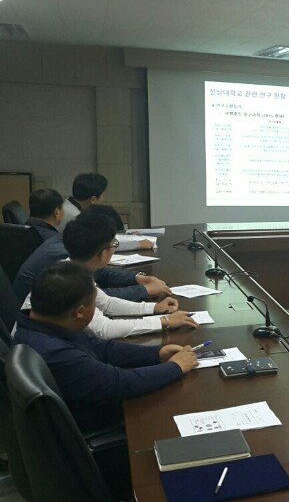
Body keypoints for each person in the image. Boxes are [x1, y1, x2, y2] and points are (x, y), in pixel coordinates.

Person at [13, 262, 198, 499]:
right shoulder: (56, 353)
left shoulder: (46, 324)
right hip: (100, 438)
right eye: (95, 305)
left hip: (89, 415)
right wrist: (175, 368)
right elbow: (119, 383)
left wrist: (156, 354)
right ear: (80, 312)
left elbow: (101, 348)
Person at [19, 210, 195, 338]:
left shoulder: (71, 268)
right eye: (114, 245)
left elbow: (107, 303)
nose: (114, 249)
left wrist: (154, 308)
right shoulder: (69, 280)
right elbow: (104, 330)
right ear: (103, 253)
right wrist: (164, 321)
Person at [13, 204, 170, 302]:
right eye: (113, 242)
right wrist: (144, 291)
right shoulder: (63, 254)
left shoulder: (73, 242)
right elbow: (96, 298)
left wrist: (136, 278)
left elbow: (98, 273)